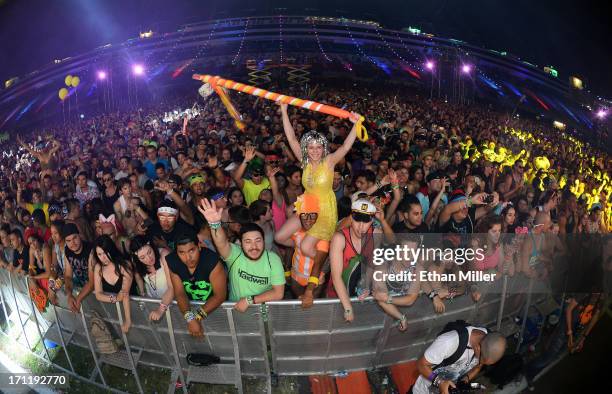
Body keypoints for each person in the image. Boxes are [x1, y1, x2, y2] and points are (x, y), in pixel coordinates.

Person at [198, 198, 285, 312]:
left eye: (258, 241)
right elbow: (221, 243)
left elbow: (278, 293)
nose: (254, 246)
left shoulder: (273, 259)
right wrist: (214, 224)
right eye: (248, 242)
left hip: (263, 313)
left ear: (264, 241)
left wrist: (249, 300)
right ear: (241, 244)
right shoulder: (235, 254)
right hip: (236, 311)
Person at [328, 199, 384, 322]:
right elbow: (336, 277)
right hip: (337, 295)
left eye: (366, 221)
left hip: (359, 294)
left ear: (372, 221)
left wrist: (365, 284)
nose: (361, 226)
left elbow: (371, 264)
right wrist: (348, 307)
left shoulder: (376, 234)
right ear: (351, 218)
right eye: (357, 220)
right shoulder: (339, 238)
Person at [413, 324, 507, 394]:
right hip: (425, 389)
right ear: (478, 348)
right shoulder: (448, 342)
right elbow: (421, 364)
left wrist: (464, 381)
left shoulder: (488, 341)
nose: (480, 364)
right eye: (481, 360)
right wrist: (440, 383)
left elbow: (478, 367)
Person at [166, 233, 227, 337]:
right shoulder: (173, 261)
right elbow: (180, 293)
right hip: (190, 309)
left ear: (199, 246)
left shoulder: (212, 261)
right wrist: (190, 318)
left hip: (217, 310)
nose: (188, 257)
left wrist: (196, 318)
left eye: (191, 250)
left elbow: (219, 296)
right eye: (181, 252)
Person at [274, 193, 327, 307]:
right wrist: (288, 272)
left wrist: (309, 291)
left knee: (311, 310)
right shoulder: (296, 231)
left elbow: (319, 263)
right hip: (296, 276)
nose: (308, 220)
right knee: (298, 306)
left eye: (312, 215)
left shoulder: (322, 235)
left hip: (316, 280)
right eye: (304, 215)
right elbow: (291, 249)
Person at [92, 235, 141, 333]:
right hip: (113, 312)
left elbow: (125, 293)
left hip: (134, 309)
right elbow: (98, 294)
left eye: (105, 253)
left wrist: (128, 320)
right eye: (99, 254)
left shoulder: (125, 264)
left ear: (111, 249)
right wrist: (113, 298)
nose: (103, 257)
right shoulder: (98, 268)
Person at [130, 235, 174, 321]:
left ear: (152, 246)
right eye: (142, 258)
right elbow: (138, 276)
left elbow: (172, 287)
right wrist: (142, 294)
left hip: (170, 306)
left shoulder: (164, 255)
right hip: (154, 305)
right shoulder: (137, 264)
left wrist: (160, 309)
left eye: (149, 252)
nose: (149, 258)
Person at [61, 223, 94, 313]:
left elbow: (92, 282)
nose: (72, 243)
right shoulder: (67, 251)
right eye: (68, 240)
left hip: (100, 290)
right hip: (84, 291)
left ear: (79, 236)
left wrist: (78, 299)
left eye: (75, 238)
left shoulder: (91, 250)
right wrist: (69, 295)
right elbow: (68, 276)